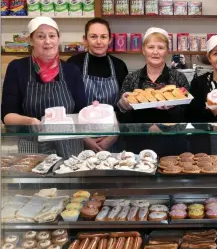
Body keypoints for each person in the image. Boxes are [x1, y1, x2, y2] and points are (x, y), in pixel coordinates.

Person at [1, 16, 86, 157]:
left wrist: (90, 139)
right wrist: (29, 121)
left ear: (58, 39)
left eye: (52, 36)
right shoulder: (17, 68)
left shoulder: (71, 70)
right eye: (41, 36)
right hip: (32, 147)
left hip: (70, 149)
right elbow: (7, 115)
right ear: (31, 40)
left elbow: (80, 114)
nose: (48, 41)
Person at [117, 27, 189, 156]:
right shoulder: (132, 78)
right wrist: (123, 104)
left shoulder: (179, 78)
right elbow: (122, 115)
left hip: (172, 142)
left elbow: (187, 113)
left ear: (167, 51)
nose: (155, 52)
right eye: (151, 47)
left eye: (161, 48)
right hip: (138, 142)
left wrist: (172, 108)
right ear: (143, 50)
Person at [68, 17, 129, 151]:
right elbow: (68, 104)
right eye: (93, 37)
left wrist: (113, 135)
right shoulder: (73, 64)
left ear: (110, 39)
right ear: (85, 39)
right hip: (80, 136)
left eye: (103, 37)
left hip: (112, 137)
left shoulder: (119, 66)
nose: (99, 42)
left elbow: (122, 107)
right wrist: (83, 137)